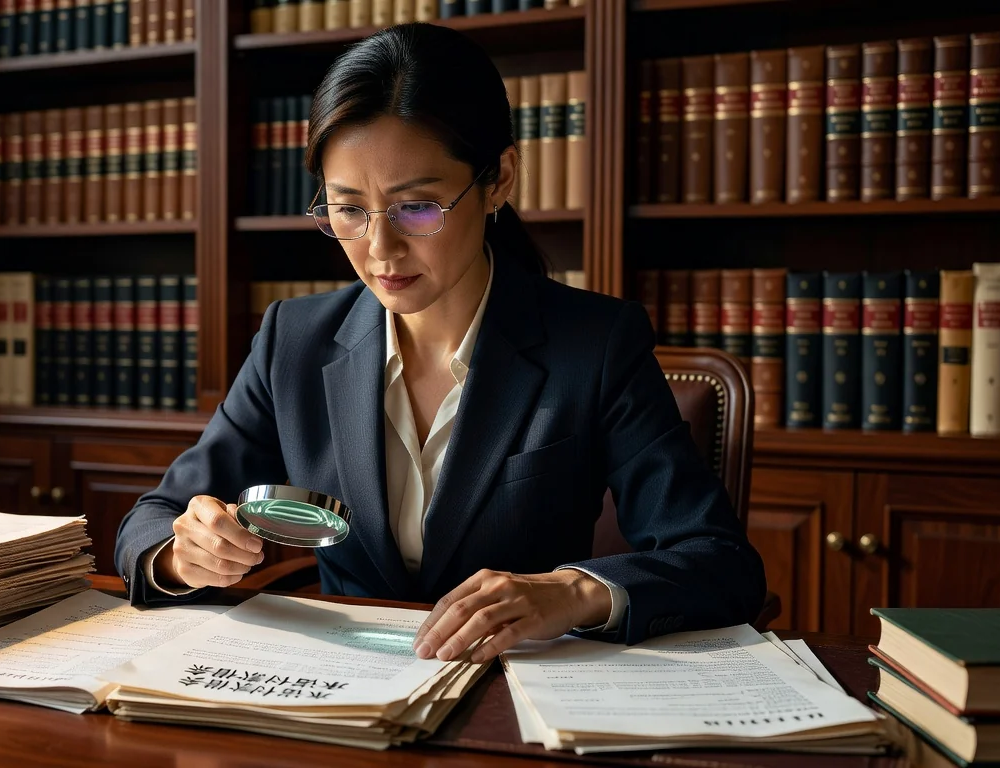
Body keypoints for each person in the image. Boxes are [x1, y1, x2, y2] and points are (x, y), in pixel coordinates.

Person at [115, 23, 766, 661]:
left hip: (515, 690)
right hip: (341, 689)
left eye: (416, 207)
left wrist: (574, 591)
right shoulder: (295, 339)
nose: (379, 249)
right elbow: (155, 516)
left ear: (499, 180)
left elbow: (720, 561)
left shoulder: (594, 346)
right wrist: (182, 552)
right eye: (348, 209)